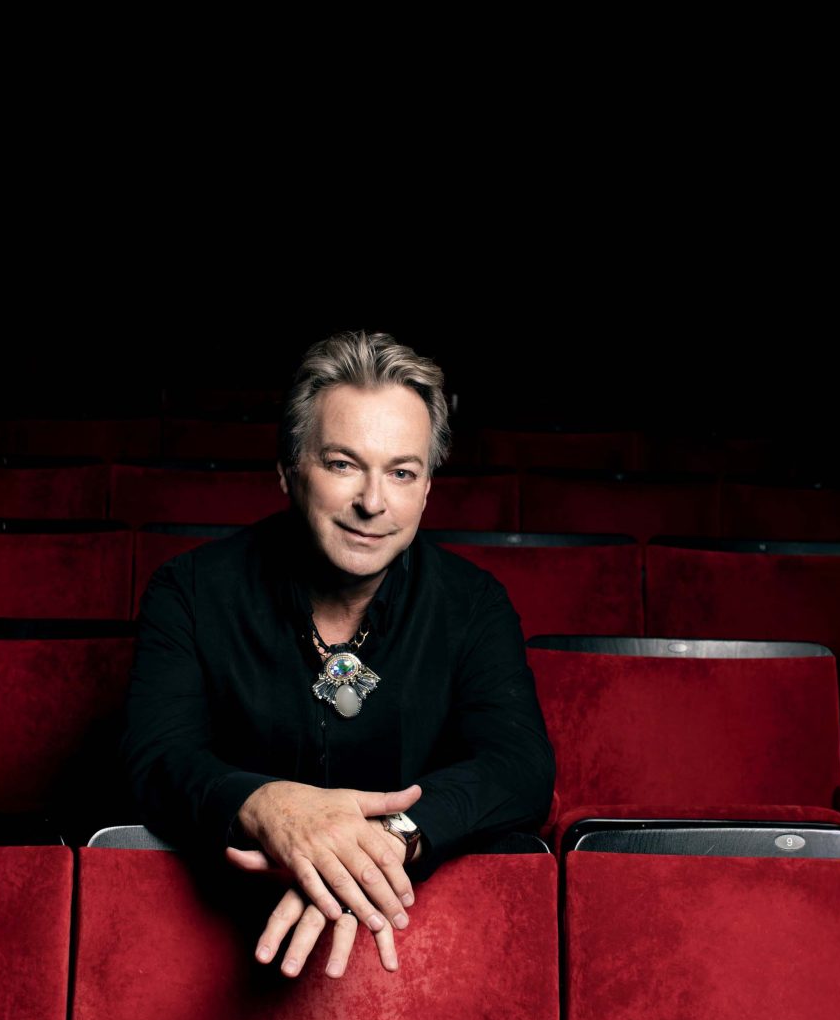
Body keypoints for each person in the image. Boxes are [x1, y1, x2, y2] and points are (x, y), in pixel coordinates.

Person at [121, 330, 555, 982]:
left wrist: (391, 838)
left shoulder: (473, 605)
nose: (373, 503)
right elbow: (154, 759)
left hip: (426, 959)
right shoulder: (188, 592)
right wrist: (266, 805)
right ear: (289, 470)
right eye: (343, 464)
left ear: (428, 488)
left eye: (401, 472)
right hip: (197, 960)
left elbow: (520, 768)